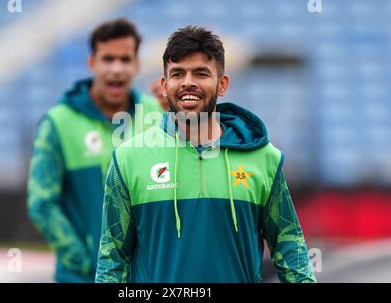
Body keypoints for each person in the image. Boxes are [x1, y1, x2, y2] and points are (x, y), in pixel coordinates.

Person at [95, 26, 316, 283]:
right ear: (165, 85)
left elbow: (291, 250)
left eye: (201, 73)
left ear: (222, 85)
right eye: (178, 74)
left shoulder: (264, 158)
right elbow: (112, 259)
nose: (188, 82)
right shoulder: (127, 159)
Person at [27, 18, 164, 283]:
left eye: (125, 60)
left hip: (143, 277)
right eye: (108, 59)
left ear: (137, 64)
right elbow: (41, 203)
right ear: (92, 63)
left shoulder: (156, 115)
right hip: (81, 278)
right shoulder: (58, 123)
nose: (116, 68)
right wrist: (85, 258)